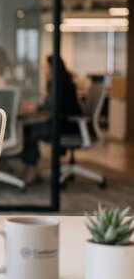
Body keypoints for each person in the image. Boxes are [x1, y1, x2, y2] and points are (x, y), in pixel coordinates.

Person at [19, 55, 82, 184]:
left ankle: (31, 170)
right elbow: (50, 107)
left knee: (28, 130)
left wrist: (35, 108)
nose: (43, 69)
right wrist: (36, 107)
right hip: (65, 123)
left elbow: (52, 108)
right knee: (28, 128)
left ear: (53, 68)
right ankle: (30, 168)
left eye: (45, 66)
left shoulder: (59, 84)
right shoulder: (60, 82)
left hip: (65, 126)